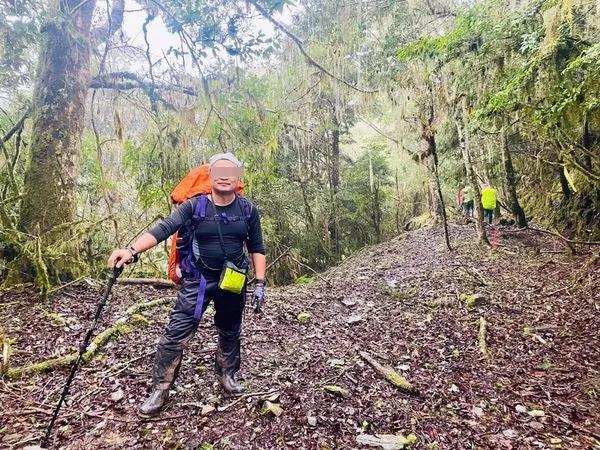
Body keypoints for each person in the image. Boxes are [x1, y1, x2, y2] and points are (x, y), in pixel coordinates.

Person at [108, 152, 266, 417]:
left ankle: (228, 374)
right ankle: (161, 388)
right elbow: (164, 228)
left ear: (238, 177)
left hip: (233, 280)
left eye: (231, 170)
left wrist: (260, 282)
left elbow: (257, 247)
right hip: (199, 281)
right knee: (176, 333)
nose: (225, 175)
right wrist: (131, 251)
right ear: (211, 175)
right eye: (219, 170)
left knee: (230, 328)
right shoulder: (194, 206)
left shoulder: (248, 210)